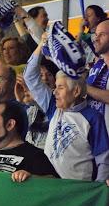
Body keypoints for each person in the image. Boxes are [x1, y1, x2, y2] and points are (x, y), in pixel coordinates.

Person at [24, 34, 109, 181]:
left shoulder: (93, 117)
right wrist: (41, 43)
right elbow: (30, 76)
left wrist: (98, 192)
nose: (54, 92)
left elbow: (103, 159)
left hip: (79, 189)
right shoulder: (53, 108)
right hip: (51, 183)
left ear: (76, 91)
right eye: (55, 87)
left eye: (60, 87)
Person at [87, 19, 109, 133]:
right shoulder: (98, 65)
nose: (96, 38)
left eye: (102, 34)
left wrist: (85, 88)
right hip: (97, 139)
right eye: (96, 34)